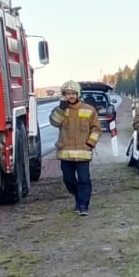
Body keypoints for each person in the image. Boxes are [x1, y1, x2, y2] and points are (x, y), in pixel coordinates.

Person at [49, 80, 102, 215]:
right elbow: (54, 122)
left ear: (78, 94)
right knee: (68, 180)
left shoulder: (89, 110)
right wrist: (61, 109)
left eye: (73, 93)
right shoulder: (60, 111)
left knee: (84, 180)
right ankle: (79, 197)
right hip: (65, 153)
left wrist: (90, 143)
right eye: (67, 94)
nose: (70, 96)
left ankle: (83, 206)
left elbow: (96, 129)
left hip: (83, 153)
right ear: (63, 95)